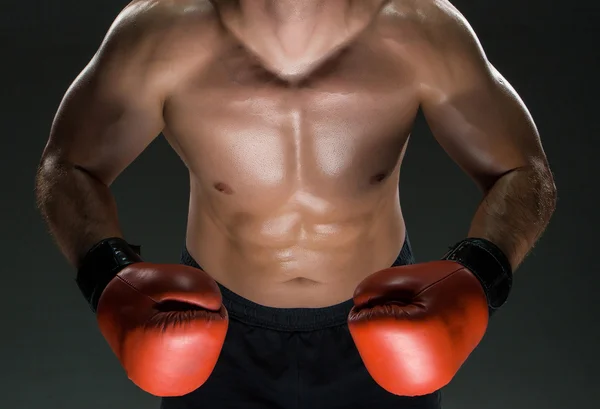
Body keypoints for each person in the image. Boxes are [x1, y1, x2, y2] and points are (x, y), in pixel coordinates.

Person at [35, 0, 557, 408]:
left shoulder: (419, 32)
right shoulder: (162, 36)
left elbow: (524, 172)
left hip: (385, 334)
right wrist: (108, 278)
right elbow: (67, 167)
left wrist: (477, 277)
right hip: (215, 344)